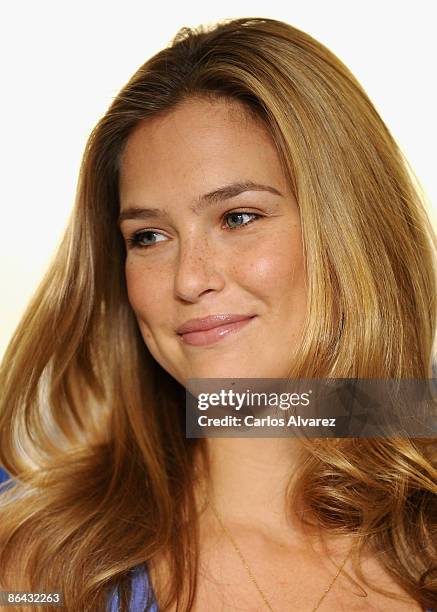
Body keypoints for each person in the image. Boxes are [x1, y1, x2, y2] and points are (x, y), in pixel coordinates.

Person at [0, 16, 436, 612]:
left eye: (238, 218)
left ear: (352, 228)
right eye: (149, 236)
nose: (189, 279)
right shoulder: (46, 565)